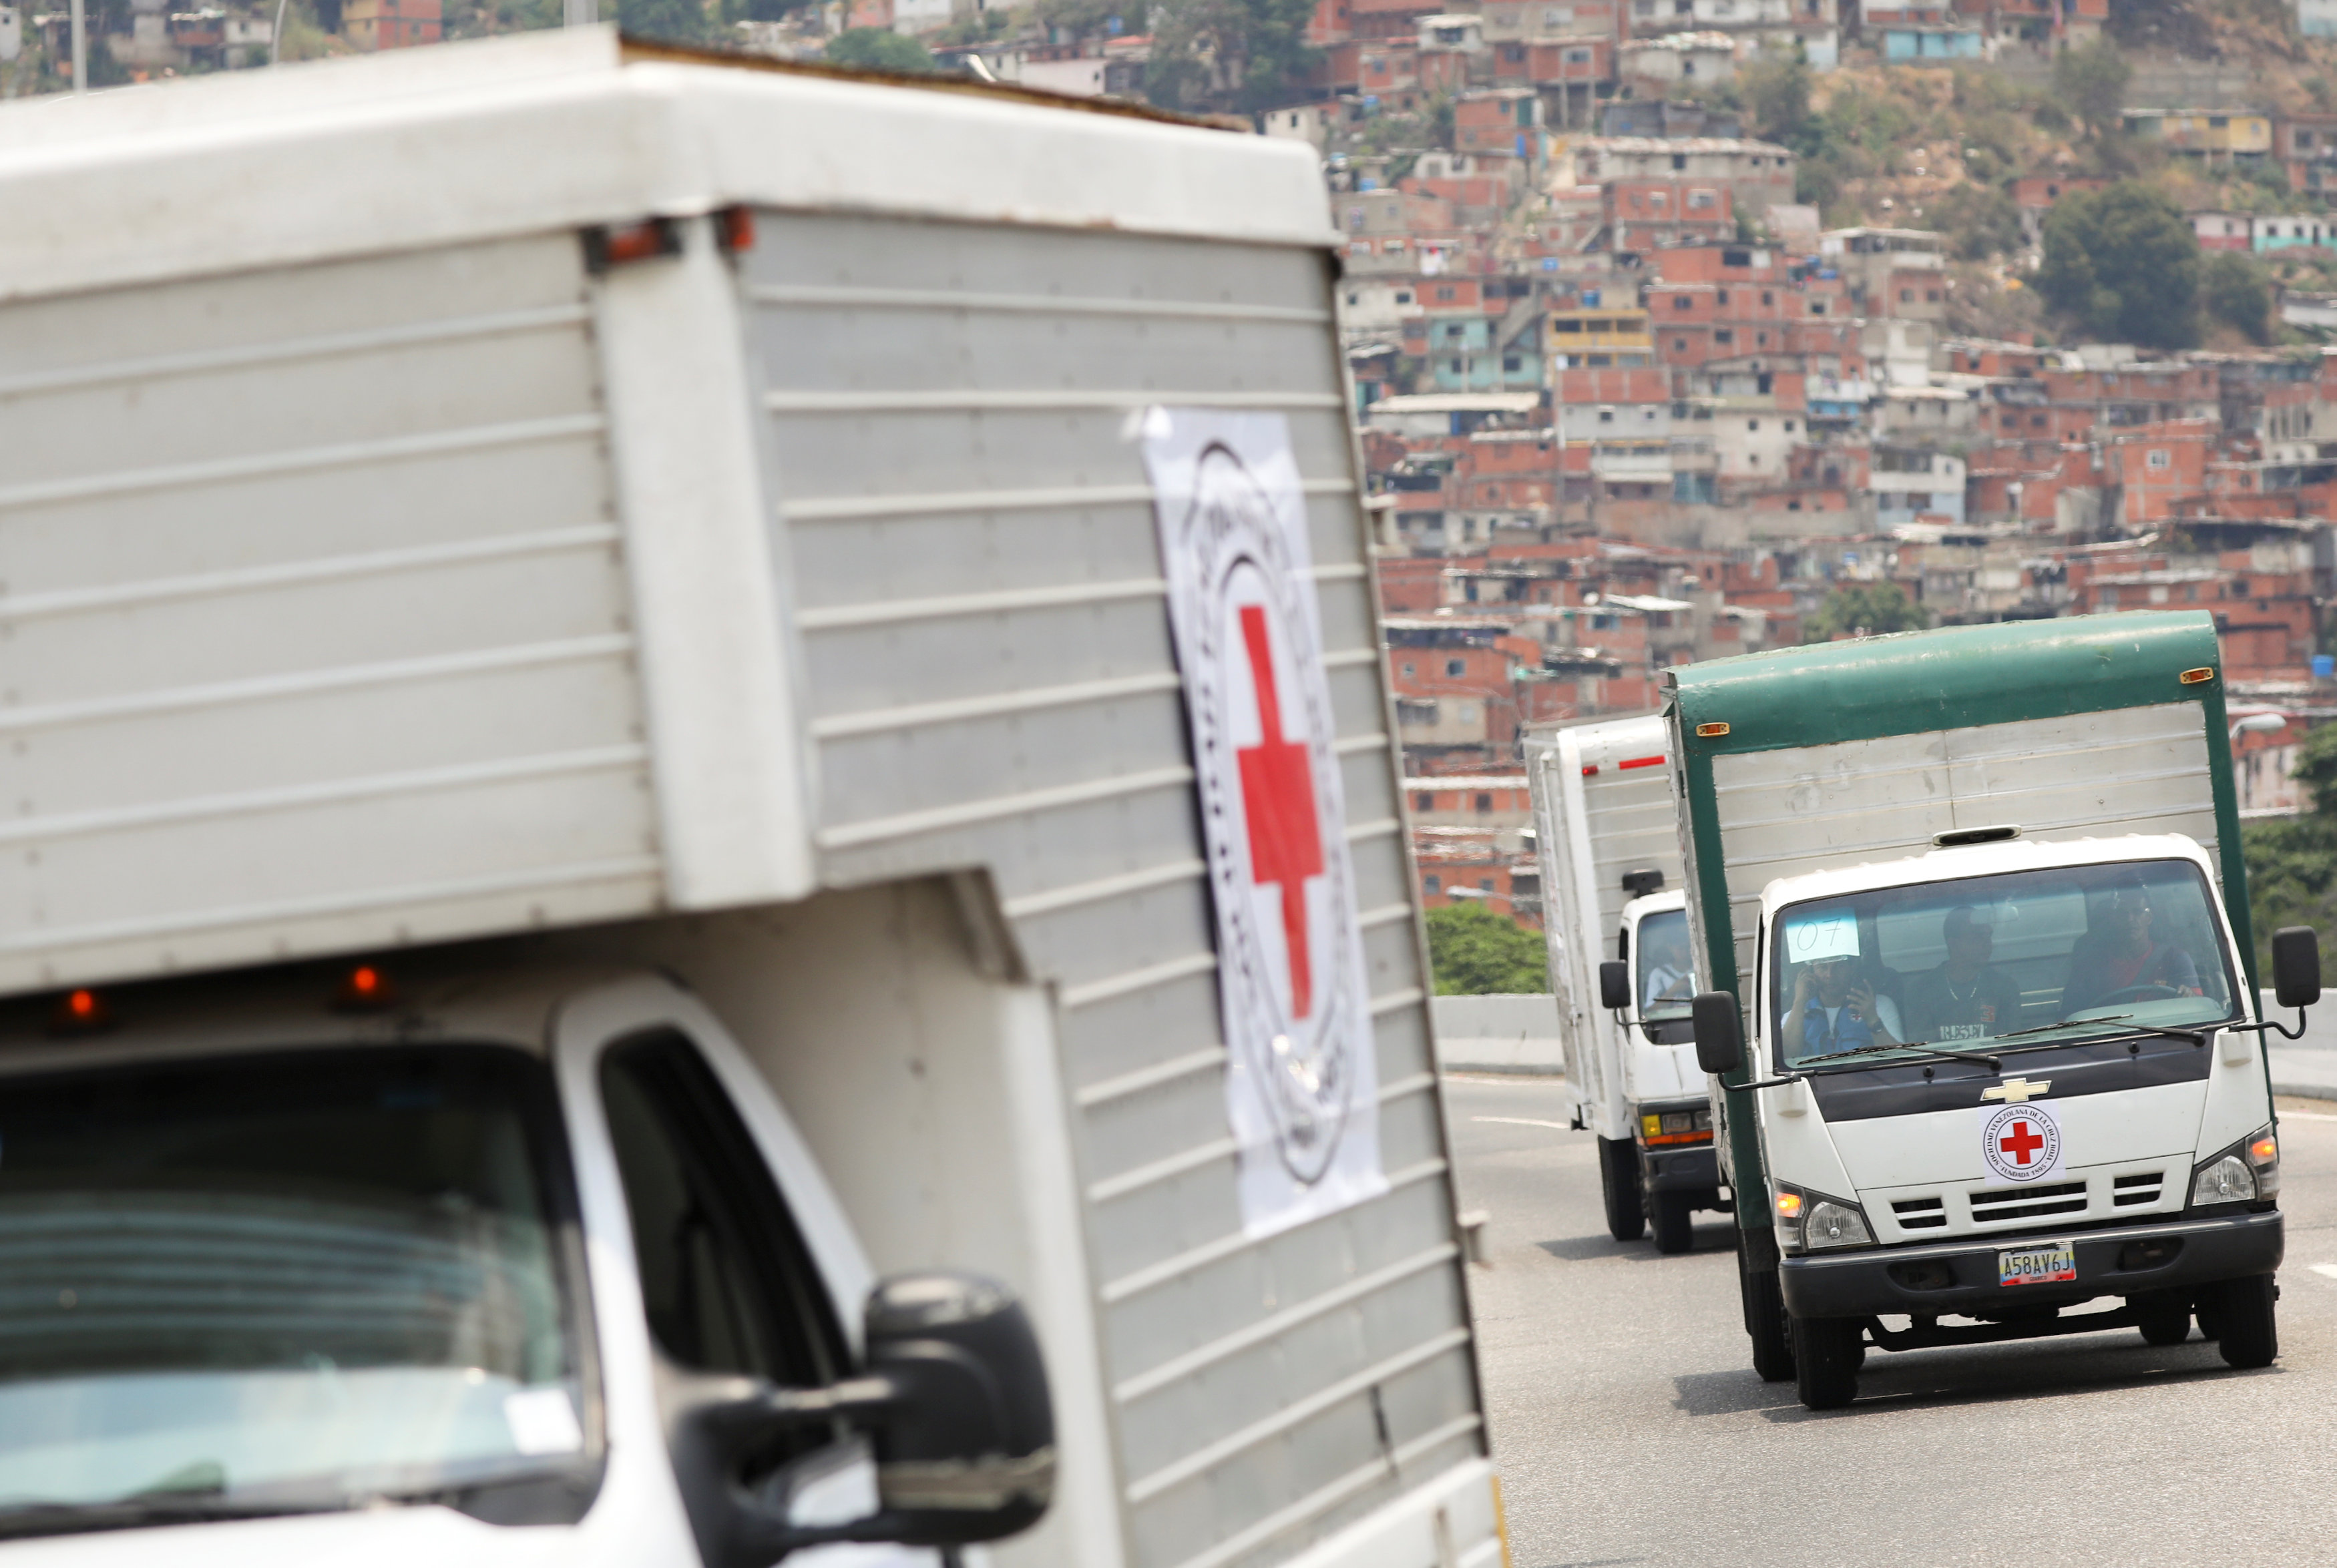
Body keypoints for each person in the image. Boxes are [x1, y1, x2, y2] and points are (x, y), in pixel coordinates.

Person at [2061, 882, 2201, 1017]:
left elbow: (2198, 1009)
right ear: (2114, 919)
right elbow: (2070, 1017)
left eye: (2138, 912)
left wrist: (2189, 996)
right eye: (2122, 913)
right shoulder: (2093, 965)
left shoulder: (2174, 959)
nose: (2130, 919)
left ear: (2149, 918)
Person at [1902, 906, 2025, 1044]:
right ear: (1953, 944)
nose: (1987, 943)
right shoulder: (1921, 991)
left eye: (1988, 936)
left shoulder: (2004, 987)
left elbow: (2010, 1046)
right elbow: (1923, 1052)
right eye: (1978, 936)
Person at [1781, 953, 1904, 1058]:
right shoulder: (1795, 1015)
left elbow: (1898, 1058)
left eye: (1839, 966)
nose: (1830, 974)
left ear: (1852, 968)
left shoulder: (1880, 1006)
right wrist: (1799, 1002)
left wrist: (1872, 1020)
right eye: (1822, 967)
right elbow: (1786, 1058)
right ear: (1810, 972)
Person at [1639, 921, 1695, 1013]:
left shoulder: (1700, 970)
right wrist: (1673, 991)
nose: (1684, 952)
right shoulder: (1659, 974)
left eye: (1687, 947)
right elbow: (1651, 1010)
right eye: (1680, 949)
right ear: (1670, 948)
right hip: (1671, 1022)